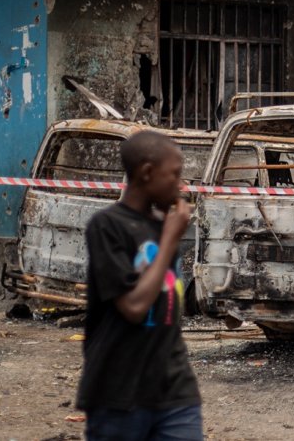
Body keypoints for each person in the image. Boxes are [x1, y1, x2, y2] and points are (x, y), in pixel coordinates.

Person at [76, 130, 202, 440]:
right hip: (118, 393)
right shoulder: (108, 227)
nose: (180, 184)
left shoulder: (163, 227)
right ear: (147, 173)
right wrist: (170, 238)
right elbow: (134, 307)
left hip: (174, 389)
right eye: (173, 174)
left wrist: (168, 233)